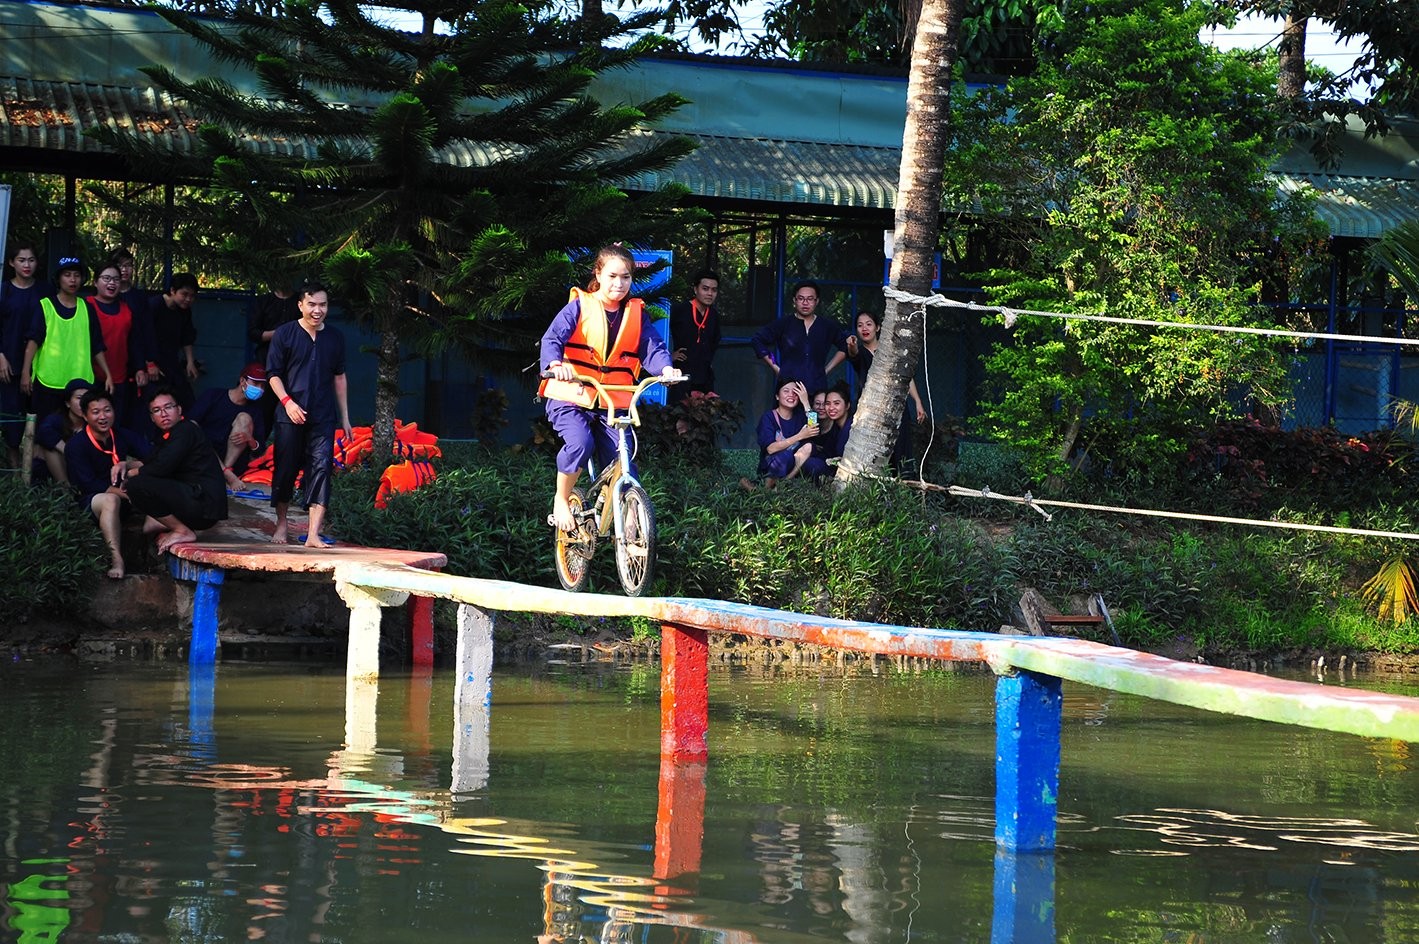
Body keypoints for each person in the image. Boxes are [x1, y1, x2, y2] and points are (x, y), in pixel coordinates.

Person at [539, 244, 679, 532]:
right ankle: (561, 499)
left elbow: (652, 347)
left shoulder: (635, 314)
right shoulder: (580, 306)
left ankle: (632, 527)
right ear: (598, 274)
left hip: (612, 401)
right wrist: (555, 364)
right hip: (572, 396)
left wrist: (666, 369)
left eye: (626, 277)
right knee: (581, 443)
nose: (619, 283)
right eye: (613, 276)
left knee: (623, 457)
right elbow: (552, 339)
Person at [266, 282, 352, 547]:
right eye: (312, 304)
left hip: (323, 415)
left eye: (323, 305)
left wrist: (345, 417)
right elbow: (273, 375)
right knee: (285, 468)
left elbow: (339, 377)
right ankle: (282, 523)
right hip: (289, 414)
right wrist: (287, 402)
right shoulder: (285, 333)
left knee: (321, 468)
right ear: (300, 305)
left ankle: (313, 533)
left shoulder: (335, 337)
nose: (318, 310)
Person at [124, 386, 229, 553]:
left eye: (168, 407)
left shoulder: (185, 430)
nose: (163, 414)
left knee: (137, 484)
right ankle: (173, 526)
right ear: (152, 418)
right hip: (196, 502)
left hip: (203, 505)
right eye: (157, 410)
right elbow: (151, 462)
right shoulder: (167, 436)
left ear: (179, 409)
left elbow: (161, 467)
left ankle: (182, 530)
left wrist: (133, 473)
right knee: (142, 489)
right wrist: (125, 465)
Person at [65, 388, 150, 579]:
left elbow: (154, 457)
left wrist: (129, 465)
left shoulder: (121, 435)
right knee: (110, 500)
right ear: (85, 416)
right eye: (96, 412)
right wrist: (124, 494)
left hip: (123, 499)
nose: (103, 417)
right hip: (90, 502)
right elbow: (87, 484)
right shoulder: (76, 445)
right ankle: (116, 560)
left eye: (107, 410)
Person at [20, 256, 113, 419]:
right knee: (46, 428)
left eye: (77, 275)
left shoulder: (87, 308)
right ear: (58, 279)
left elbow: (96, 345)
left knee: (78, 428)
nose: (72, 280)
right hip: (48, 381)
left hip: (80, 384)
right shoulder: (45, 306)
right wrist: (25, 372)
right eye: (67, 275)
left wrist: (108, 374)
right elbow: (33, 341)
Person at [846, 311, 927, 473]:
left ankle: (904, 483)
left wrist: (917, 401)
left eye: (869, 324)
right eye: (860, 325)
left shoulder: (891, 351)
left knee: (902, 453)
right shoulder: (860, 353)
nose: (864, 328)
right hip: (870, 414)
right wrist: (851, 346)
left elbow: (906, 377)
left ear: (878, 327)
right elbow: (853, 354)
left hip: (897, 408)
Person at [751, 280, 856, 393]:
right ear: (794, 300)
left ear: (817, 301)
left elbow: (845, 344)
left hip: (817, 389)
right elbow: (757, 339)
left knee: (815, 406)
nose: (805, 303)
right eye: (801, 298)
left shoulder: (826, 326)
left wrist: (826, 370)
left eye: (810, 299)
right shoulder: (783, 324)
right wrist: (776, 367)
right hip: (788, 389)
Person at [87, 261, 154, 433]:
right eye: (106, 278)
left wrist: (140, 368)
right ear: (95, 282)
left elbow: (134, 341)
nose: (112, 283)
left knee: (116, 424)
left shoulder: (127, 309)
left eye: (116, 279)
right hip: (89, 376)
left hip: (119, 377)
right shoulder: (85, 306)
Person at [188, 362, 270, 490]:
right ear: (242, 381)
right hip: (206, 453)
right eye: (255, 383)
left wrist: (249, 439)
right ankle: (225, 474)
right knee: (193, 428)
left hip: (233, 463)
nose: (260, 389)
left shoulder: (256, 411)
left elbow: (260, 450)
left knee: (244, 418)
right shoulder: (213, 395)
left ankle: (224, 473)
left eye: (262, 385)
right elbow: (190, 423)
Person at [0, 244, 43, 462]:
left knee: (38, 415)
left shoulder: (44, 290)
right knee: (12, 415)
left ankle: (36, 466)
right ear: (11, 262)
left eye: (31, 260)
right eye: (21, 260)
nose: (27, 265)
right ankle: (15, 468)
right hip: (9, 362)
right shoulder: (4, 290)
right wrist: (1, 356)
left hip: (40, 363)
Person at [751, 377, 826, 487]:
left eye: (795, 392)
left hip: (795, 466)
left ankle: (785, 482)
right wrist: (800, 436)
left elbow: (814, 428)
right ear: (777, 396)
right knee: (786, 456)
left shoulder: (800, 416)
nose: (791, 395)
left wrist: (805, 402)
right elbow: (771, 449)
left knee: (815, 461)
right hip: (773, 465)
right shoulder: (768, 417)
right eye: (786, 391)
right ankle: (767, 487)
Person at [146, 273, 199, 408]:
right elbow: (141, 336)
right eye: (184, 294)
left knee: (187, 401)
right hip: (152, 365)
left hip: (172, 362)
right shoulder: (154, 306)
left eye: (192, 296)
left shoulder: (184, 311)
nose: (188, 299)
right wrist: (149, 363)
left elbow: (187, 336)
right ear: (172, 290)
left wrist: (190, 362)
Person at [668, 269, 722, 402]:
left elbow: (715, 342)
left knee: (705, 413)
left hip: (704, 377)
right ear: (695, 289)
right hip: (680, 375)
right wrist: (669, 356)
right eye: (705, 289)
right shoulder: (679, 310)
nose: (710, 293)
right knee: (678, 412)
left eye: (714, 290)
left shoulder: (714, 315)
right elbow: (659, 332)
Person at [33, 377, 90, 484]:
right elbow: (44, 432)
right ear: (68, 403)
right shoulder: (56, 419)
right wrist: (67, 449)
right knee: (49, 447)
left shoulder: (92, 423)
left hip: (80, 470)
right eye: (79, 398)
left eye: (87, 399)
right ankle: (65, 489)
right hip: (49, 471)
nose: (83, 403)